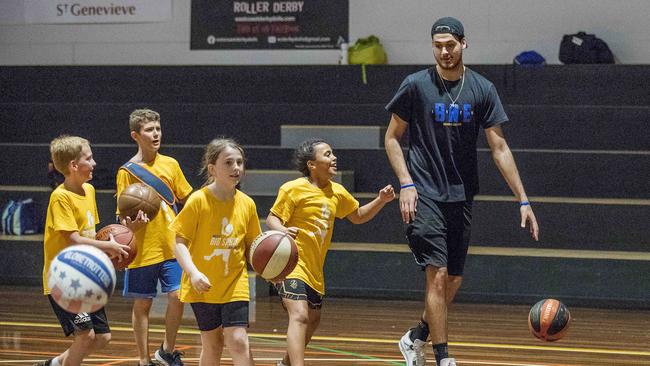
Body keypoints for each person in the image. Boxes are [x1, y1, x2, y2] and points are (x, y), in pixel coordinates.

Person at [384, 17, 540, 366]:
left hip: (461, 194)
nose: (444, 52)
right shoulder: (415, 85)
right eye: (437, 46)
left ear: (463, 44)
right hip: (424, 192)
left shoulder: (481, 89)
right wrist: (407, 183)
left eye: (450, 45)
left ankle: (416, 337)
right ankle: (443, 358)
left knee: (452, 280)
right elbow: (391, 138)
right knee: (437, 276)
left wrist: (523, 200)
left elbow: (499, 147)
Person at [267, 138, 395, 366]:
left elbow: (357, 216)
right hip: (291, 265)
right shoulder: (292, 188)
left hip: (315, 270)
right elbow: (272, 218)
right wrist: (283, 230)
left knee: (313, 320)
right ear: (311, 164)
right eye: (327, 154)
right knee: (300, 315)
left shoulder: (338, 192)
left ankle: (285, 363)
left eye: (332, 153)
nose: (333, 157)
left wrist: (380, 200)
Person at [35, 135, 129, 366]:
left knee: (102, 337)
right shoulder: (60, 197)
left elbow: (91, 235)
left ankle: (54, 364)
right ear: (73, 166)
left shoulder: (89, 190)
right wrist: (108, 245)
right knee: (85, 336)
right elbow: (75, 239)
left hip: (87, 279)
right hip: (64, 280)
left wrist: (115, 246)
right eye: (89, 158)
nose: (95, 163)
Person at [170, 138, 261, 366]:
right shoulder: (199, 200)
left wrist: (275, 262)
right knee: (212, 344)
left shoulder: (247, 204)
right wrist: (193, 273)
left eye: (240, 162)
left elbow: (254, 247)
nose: (236, 168)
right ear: (212, 169)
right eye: (228, 162)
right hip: (203, 284)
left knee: (238, 340)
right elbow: (178, 241)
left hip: (234, 283)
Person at [116, 109, 193, 366]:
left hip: (171, 246)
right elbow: (122, 219)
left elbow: (188, 200)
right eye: (149, 130)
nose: (156, 133)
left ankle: (166, 351)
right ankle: (143, 359)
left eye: (158, 128)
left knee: (177, 296)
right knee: (142, 305)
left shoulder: (170, 164)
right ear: (135, 135)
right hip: (143, 247)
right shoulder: (126, 171)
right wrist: (133, 226)